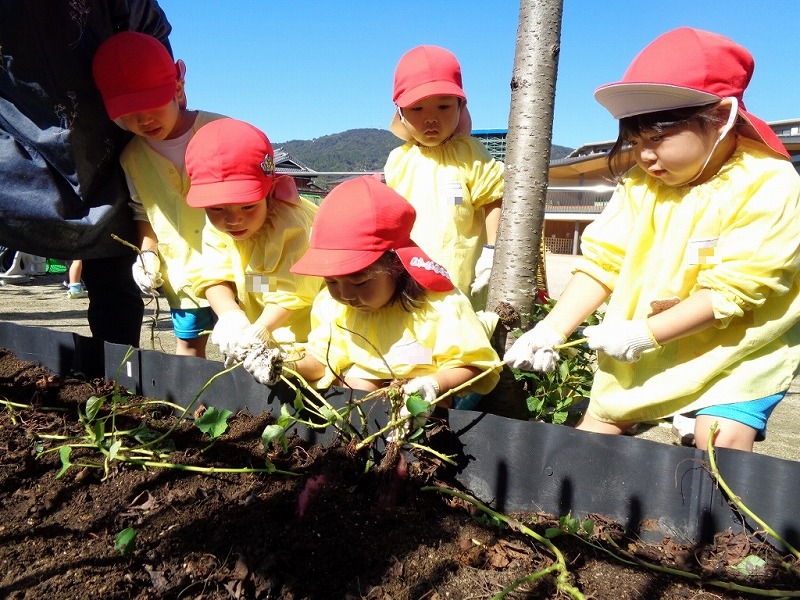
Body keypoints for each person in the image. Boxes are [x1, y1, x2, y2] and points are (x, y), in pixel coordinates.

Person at [504, 27, 800, 452]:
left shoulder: (768, 183)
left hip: (738, 350)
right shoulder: (641, 187)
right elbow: (603, 262)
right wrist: (551, 329)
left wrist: (645, 333)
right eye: (636, 140)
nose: (644, 155)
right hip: (648, 344)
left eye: (657, 138)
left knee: (718, 440)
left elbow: (737, 290)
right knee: (591, 441)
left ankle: (722, 515)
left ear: (719, 117)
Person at [242, 175, 501, 420]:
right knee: (353, 383)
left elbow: (475, 366)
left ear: (397, 266)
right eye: (332, 281)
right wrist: (283, 364)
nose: (345, 295)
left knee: (429, 402)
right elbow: (320, 361)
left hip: (426, 387)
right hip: (368, 387)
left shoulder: (439, 305)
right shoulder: (332, 306)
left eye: (360, 281)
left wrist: (436, 383)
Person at [0, 1, 177, 347]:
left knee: (114, 268)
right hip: (17, 117)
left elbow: (148, 35)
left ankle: (116, 380)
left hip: (108, 124)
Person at [92, 31, 226, 357]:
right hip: (184, 275)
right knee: (190, 342)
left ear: (178, 89)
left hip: (246, 270)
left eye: (151, 104)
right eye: (127, 113)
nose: (143, 119)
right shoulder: (133, 159)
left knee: (260, 333)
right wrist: (148, 254)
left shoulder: (221, 132)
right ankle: (190, 408)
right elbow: (142, 213)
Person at [183, 118, 322, 368]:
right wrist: (230, 314)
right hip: (261, 316)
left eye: (247, 206)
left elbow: (293, 290)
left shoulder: (293, 226)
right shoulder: (218, 227)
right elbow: (215, 275)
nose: (233, 219)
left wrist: (258, 330)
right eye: (216, 208)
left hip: (307, 336)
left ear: (269, 191)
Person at [383, 45, 504, 304]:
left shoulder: (470, 154)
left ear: (460, 106)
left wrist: (492, 251)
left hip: (460, 277)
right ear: (400, 113)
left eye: (443, 106)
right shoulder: (398, 160)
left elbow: (494, 197)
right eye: (417, 109)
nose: (431, 119)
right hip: (409, 275)